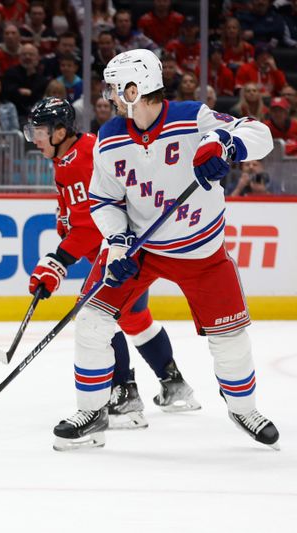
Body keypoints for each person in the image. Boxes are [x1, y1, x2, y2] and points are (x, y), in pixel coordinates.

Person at [53, 48, 279, 451]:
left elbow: (260, 134)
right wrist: (119, 243)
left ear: (134, 87)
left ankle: (243, 408)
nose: (108, 94)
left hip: (202, 251)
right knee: (91, 320)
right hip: (140, 248)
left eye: (114, 86)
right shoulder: (110, 138)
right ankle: (92, 411)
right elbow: (103, 200)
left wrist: (227, 147)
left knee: (230, 338)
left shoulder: (193, 117)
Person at [25, 97, 196, 430]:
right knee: (134, 318)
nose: (34, 137)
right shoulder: (71, 155)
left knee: (100, 318)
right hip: (122, 249)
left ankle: (125, 396)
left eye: (40, 131)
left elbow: (91, 225)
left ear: (60, 132)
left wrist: (59, 261)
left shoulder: (82, 159)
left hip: (120, 251)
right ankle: (174, 386)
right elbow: (79, 218)